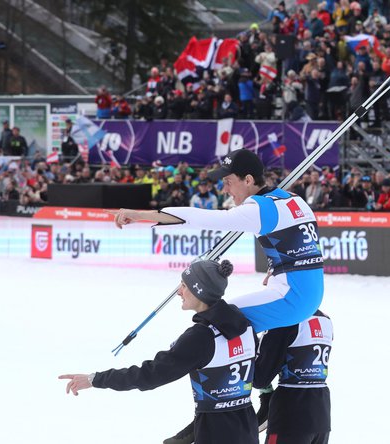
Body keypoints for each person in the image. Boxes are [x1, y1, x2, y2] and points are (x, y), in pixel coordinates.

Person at [110, 149, 325, 443]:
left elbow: (199, 218)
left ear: (248, 180)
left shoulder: (257, 209)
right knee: (230, 323)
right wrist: (280, 269)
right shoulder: (292, 200)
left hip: (293, 297)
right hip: (306, 290)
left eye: (229, 181)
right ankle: (258, 397)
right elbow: (305, 245)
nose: (224, 188)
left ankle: (217, 415)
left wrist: (139, 215)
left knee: (218, 323)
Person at [59, 259, 259, 444]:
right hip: (247, 430)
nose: (178, 292)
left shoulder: (200, 337)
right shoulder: (246, 326)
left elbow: (149, 375)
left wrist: (96, 379)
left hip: (215, 435)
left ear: (199, 291)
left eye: (184, 285)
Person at [254, 311, 333, 444]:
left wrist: (266, 392)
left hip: (290, 413)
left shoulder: (284, 318)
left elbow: (259, 378)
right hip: (321, 412)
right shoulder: (325, 319)